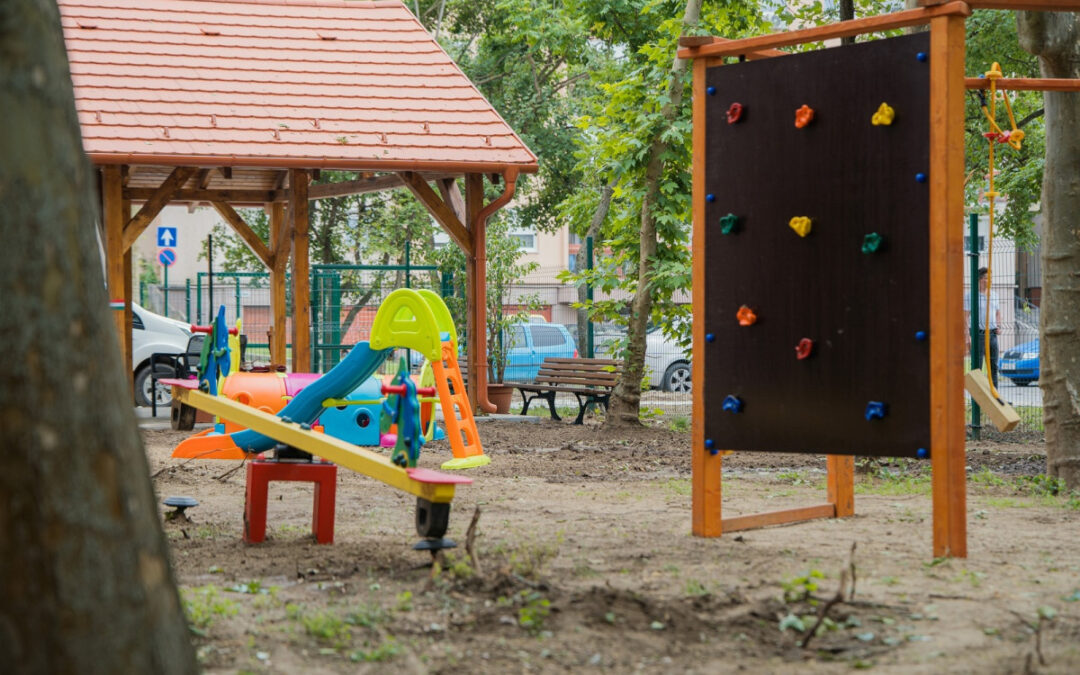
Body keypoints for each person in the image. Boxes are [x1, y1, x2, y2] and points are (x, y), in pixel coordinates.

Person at [964, 267, 1001, 388]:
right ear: (980, 280)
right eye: (986, 278)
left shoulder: (994, 295)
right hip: (977, 334)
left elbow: (997, 313)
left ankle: (994, 395)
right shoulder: (971, 296)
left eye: (990, 278)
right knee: (977, 367)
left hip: (992, 334)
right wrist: (967, 335)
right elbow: (965, 316)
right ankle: (977, 397)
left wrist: (999, 326)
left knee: (993, 366)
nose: (990, 280)